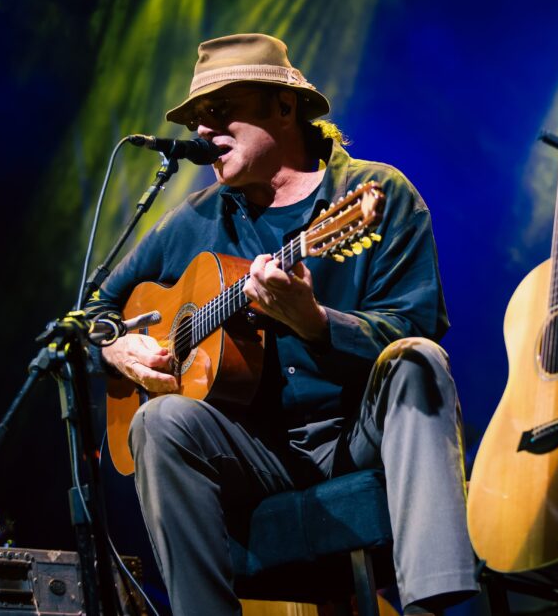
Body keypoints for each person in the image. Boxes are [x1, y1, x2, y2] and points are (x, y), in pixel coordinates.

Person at [88, 33, 477, 615]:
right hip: (255, 451)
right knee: (160, 419)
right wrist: (116, 347)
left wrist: (317, 323)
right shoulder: (192, 222)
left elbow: (411, 326)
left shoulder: (375, 194)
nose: (201, 131)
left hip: (357, 434)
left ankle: (433, 603)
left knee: (419, 357)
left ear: (284, 105)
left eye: (219, 112)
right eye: (196, 119)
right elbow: (92, 310)